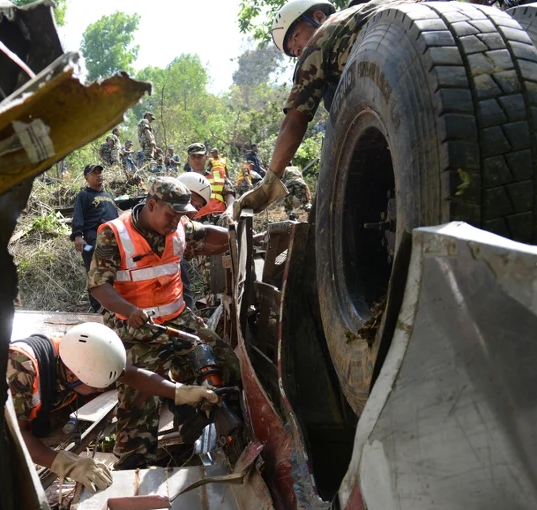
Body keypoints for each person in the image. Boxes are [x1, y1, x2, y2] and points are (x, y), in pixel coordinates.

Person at [88, 178, 241, 468]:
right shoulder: (114, 234)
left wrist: (236, 232)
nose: (175, 222)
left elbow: (208, 233)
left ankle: (200, 425)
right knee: (140, 395)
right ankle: (133, 465)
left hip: (178, 319)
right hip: (135, 328)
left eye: (180, 216)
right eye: (171, 215)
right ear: (152, 204)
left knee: (226, 363)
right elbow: (98, 287)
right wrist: (128, 309)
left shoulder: (180, 226)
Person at [239, 0, 412, 216]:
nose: (299, 51)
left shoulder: (321, 37)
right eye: (294, 52)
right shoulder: (364, 12)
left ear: (319, 17)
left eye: (295, 37)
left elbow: (295, 120)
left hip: (403, 83)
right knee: (331, 93)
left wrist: (269, 183)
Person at [7, 322, 220, 492]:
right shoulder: (20, 370)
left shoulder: (80, 351)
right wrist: (69, 464)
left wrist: (179, 392)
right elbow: (16, 437)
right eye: (97, 384)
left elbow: (131, 375)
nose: (105, 388)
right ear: (72, 375)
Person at [71, 164, 118, 311]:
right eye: (94, 173)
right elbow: (77, 216)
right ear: (86, 178)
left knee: (114, 272)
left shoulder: (109, 196)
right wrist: (78, 236)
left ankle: (114, 306)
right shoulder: (84, 196)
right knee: (95, 273)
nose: (98, 175)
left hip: (114, 239)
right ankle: (98, 307)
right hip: (92, 240)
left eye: (100, 172)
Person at [176, 172, 213, 311]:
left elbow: (200, 247)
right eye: (191, 202)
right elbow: (207, 234)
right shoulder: (175, 219)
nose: (192, 211)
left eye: (197, 208)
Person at [187, 143, 235, 221]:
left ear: (206, 158)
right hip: (195, 221)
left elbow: (230, 195)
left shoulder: (219, 176)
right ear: (188, 160)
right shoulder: (183, 180)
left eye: (200, 156)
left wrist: (229, 210)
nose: (197, 160)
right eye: (193, 157)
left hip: (221, 217)